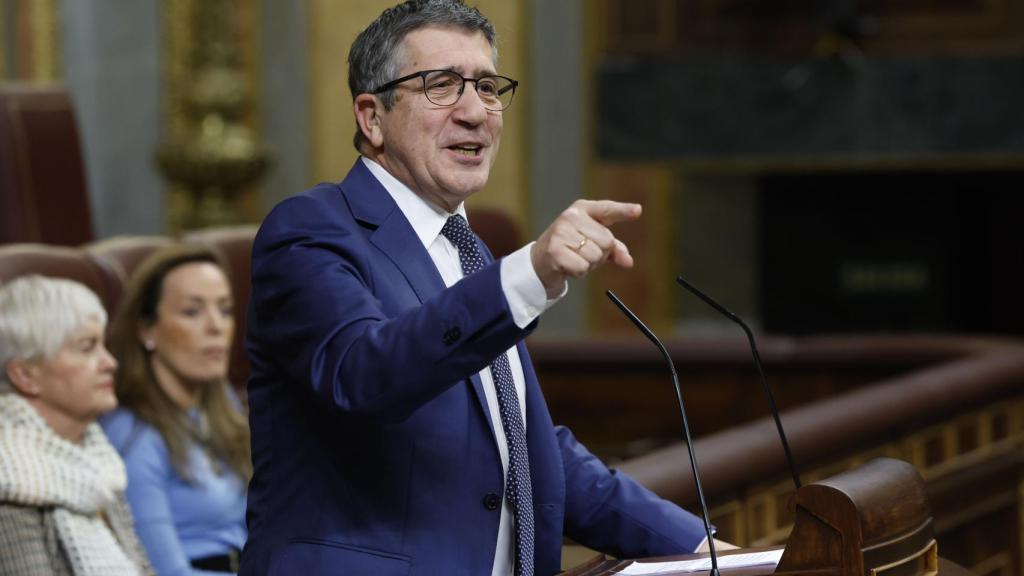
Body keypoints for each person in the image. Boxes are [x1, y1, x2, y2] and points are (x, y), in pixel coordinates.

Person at [241, 1, 719, 575]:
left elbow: (522, 449)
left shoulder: (468, 253)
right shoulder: (310, 230)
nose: (475, 113)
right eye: (441, 85)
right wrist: (528, 272)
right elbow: (364, 374)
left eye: (488, 87)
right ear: (372, 118)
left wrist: (705, 551)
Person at [101, 245, 249, 575]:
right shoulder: (133, 432)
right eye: (192, 312)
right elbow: (164, 571)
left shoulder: (221, 400)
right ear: (147, 330)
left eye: (225, 310)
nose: (216, 326)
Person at [0, 275, 153, 576]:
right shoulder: (10, 479)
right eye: (86, 348)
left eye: (103, 346)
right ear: (25, 375)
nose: (110, 363)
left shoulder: (97, 461)